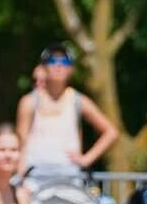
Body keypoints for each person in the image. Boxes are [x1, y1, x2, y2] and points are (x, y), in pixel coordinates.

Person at [16, 42, 118, 185]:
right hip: (34, 177)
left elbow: (111, 132)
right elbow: (21, 143)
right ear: (43, 68)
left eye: (64, 62)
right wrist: (20, 177)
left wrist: (86, 159)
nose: (58, 66)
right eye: (52, 61)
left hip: (69, 177)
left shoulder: (78, 100)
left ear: (71, 69)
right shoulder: (29, 102)